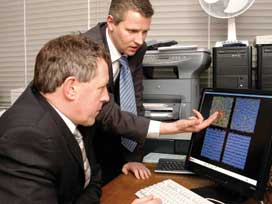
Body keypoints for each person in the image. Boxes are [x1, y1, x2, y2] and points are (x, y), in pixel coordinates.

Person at [0, 34, 161, 204]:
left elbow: (91, 182)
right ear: (71, 88)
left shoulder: (77, 114)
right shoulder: (26, 138)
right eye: (101, 88)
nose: (107, 98)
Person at [84, 0, 219, 184]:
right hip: (84, 145)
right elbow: (108, 114)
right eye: (132, 31)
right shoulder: (87, 49)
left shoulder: (137, 50)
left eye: (144, 31)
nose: (139, 40)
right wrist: (174, 127)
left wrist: (133, 158)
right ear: (110, 23)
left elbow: (134, 100)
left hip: (113, 140)